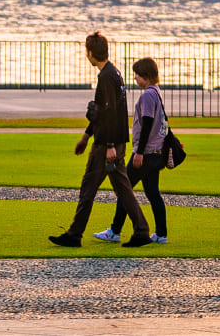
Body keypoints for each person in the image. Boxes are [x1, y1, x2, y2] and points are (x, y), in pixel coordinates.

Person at [48, 31, 152, 248]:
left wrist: (110, 146)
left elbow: (111, 113)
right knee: (122, 187)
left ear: (91, 53)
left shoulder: (106, 77)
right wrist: (86, 136)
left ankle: (75, 234)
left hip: (107, 144)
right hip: (113, 141)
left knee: (89, 188)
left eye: (87, 51)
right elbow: (102, 112)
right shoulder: (114, 73)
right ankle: (141, 230)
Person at [93, 57, 169, 244]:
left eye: (137, 74)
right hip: (156, 151)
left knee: (124, 189)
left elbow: (147, 123)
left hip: (146, 152)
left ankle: (115, 230)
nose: (135, 78)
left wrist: (139, 152)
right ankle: (161, 234)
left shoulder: (148, 95)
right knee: (152, 192)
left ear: (146, 75)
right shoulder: (156, 92)